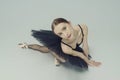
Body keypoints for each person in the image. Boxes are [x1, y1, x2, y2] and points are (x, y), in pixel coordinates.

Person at [19, 18, 101, 68]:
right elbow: (81, 55)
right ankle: (27, 45)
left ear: (69, 23)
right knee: (58, 57)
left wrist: (89, 61)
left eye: (64, 28)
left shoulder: (83, 28)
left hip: (70, 47)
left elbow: (85, 45)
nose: (65, 34)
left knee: (66, 58)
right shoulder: (65, 48)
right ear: (57, 35)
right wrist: (87, 61)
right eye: (60, 34)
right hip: (64, 47)